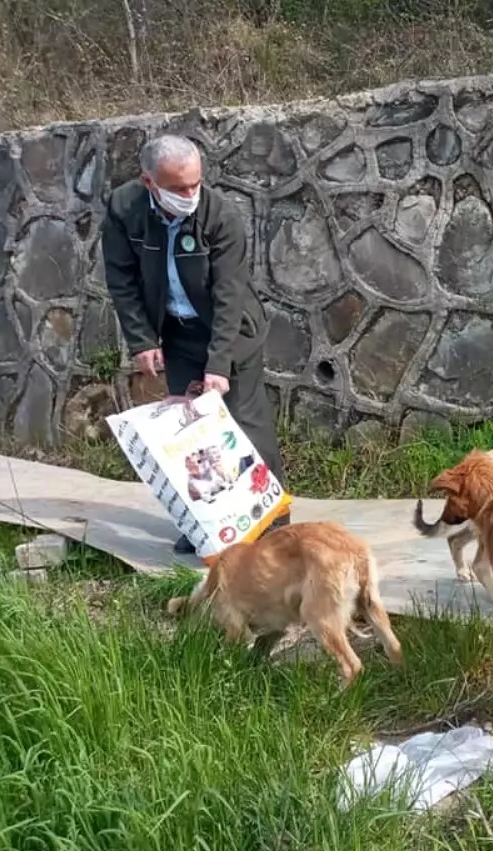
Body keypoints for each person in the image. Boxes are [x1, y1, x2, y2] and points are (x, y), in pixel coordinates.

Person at [102, 134, 290, 556]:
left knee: (242, 423)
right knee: (192, 437)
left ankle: (274, 525)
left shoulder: (220, 216)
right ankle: (209, 524)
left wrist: (219, 365)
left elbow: (229, 295)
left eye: (196, 184)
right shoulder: (124, 209)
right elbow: (121, 278)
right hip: (178, 332)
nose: (191, 195)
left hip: (231, 331)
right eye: (178, 188)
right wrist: (142, 339)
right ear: (149, 182)